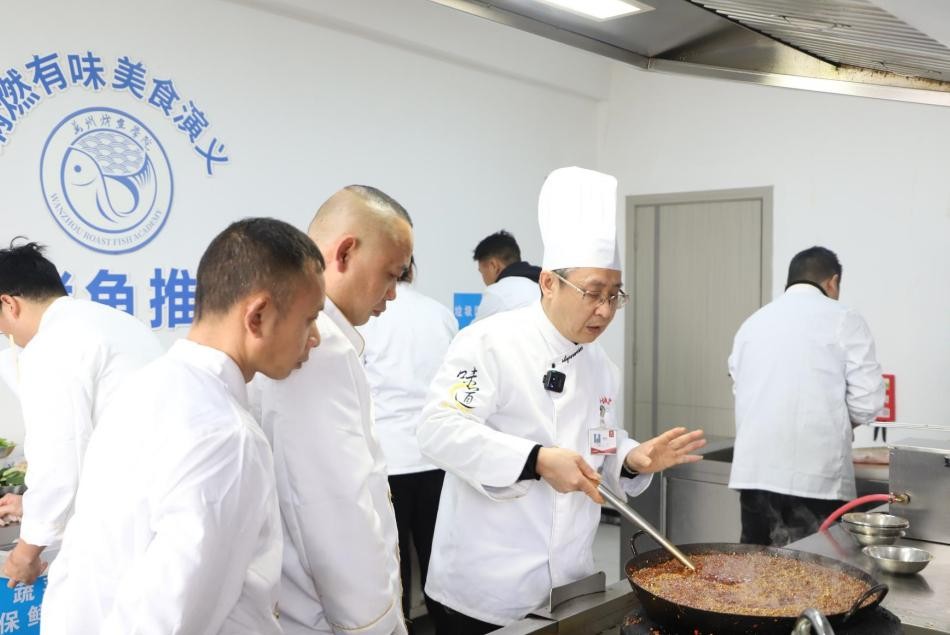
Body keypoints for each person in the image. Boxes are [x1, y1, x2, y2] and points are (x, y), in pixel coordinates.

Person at [417, 167, 705, 632]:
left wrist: (631, 458)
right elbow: (438, 429)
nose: (605, 311)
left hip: (568, 585)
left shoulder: (601, 365)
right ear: (548, 283)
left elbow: (599, 440)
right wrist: (535, 460)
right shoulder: (488, 342)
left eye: (614, 295)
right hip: (485, 585)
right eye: (593, 293)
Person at [41, 218, 326, 634]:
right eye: (309, 319)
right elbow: (167, 620)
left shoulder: (146, 386)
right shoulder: (227, 436)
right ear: (258, 316)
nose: (315, 337)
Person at [250, 185, 413, 635]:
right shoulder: (319, 347)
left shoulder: (315, 336)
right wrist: (372, 626)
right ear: (344, 253)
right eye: (391, 275)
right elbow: (333, 508)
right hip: (323, 617)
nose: (392, 294)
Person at [0, 240, 163, 587]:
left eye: (3, 330)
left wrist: (25, 553)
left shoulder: (51, 345)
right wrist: (32, 506)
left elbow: (59, 461)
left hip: (122, 534)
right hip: (159, 515)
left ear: (9, 305)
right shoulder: (117, 322)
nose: (9, 338)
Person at [728, 246, 885, 546]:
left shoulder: (752, 323)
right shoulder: (844, 318)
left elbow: (740, 387)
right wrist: (837, 423)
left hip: (754, 475)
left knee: (754, 567)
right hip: (817, 478)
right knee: (816, 568)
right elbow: (868, 401)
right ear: (832, 282)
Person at [358, 259, 457, 633]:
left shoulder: (370, 318)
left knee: (392, 563)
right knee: (438, 559)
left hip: (390, 462)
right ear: (412, 270)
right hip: (437, 457)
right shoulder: (440, 314)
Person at [472, 230, 541, 320]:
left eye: (482, 272)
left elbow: (475, 329)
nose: (483, 279)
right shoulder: (545, 286)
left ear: (494, 266)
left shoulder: (497, 293)